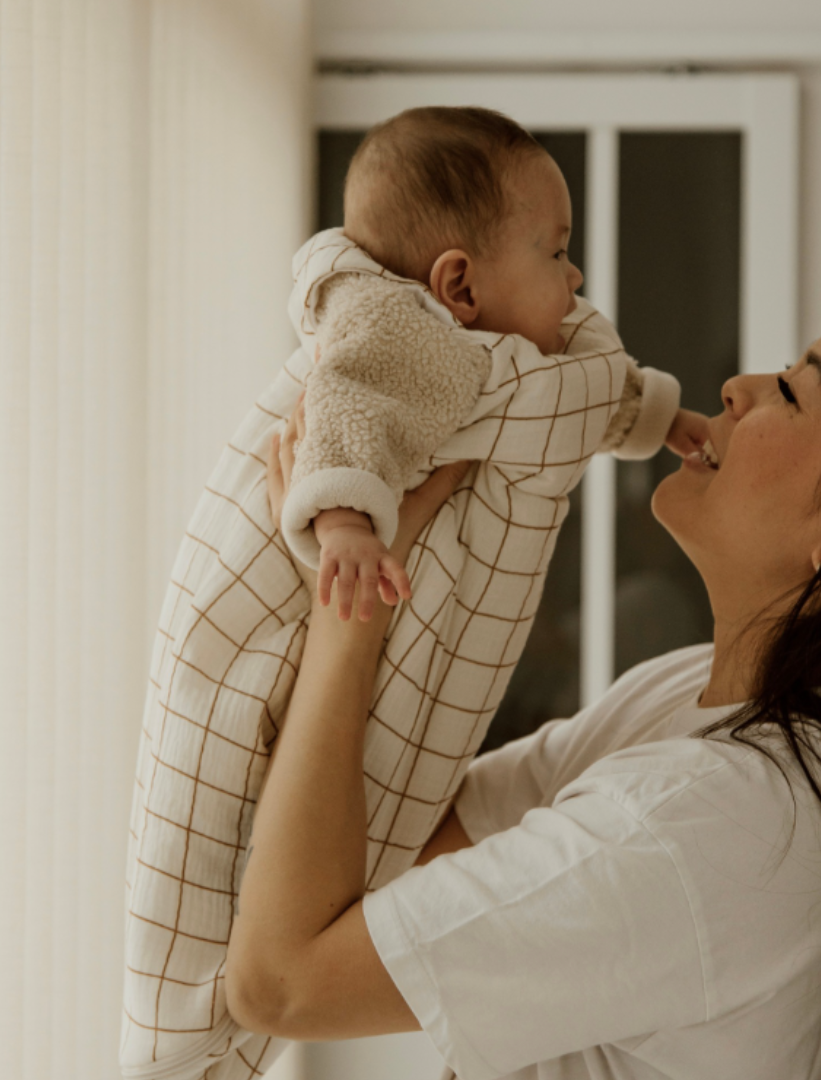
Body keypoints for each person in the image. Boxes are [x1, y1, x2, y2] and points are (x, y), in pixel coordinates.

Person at [225, 304, 821, 1079]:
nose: (738, 388)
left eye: (790, 390)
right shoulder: (693, 695)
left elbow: (278, 985)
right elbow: (404, 842)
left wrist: (347, 611)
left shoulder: (723, 819)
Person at [121, 107, 708, 1080]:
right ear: (458, 286)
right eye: (557, 252)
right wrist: (347, 526)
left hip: (382, 613)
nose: (575, 279)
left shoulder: (509, 367)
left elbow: (584, 397)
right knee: (212, 833)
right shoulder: (394, 331)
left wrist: (663, 418)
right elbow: (343, 414)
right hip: (287, 605)